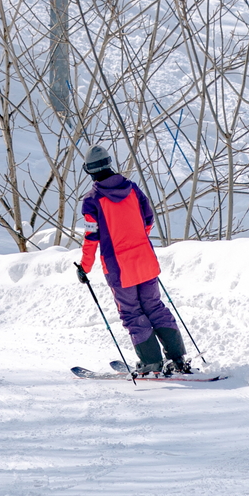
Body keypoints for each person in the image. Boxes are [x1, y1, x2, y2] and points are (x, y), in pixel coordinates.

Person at [75, 145, 191, 377]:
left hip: (119, 268)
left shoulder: (92, 200)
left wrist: (84, 267)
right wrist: (136, 239)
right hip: (145, 260)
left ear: (88, 170)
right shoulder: (132, 189)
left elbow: (91, 236)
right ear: (109, 162)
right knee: (155, 307)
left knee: (132, 313)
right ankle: (178, 358)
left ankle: (151, 362)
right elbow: (148, 220)